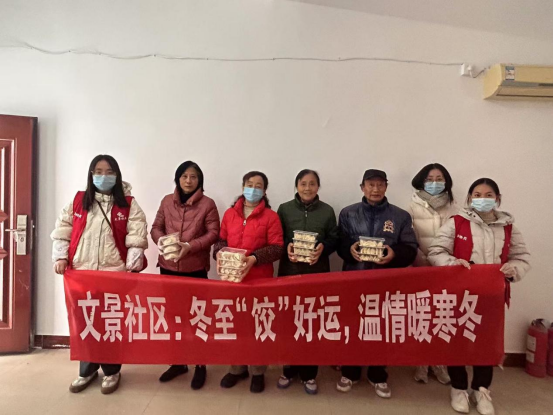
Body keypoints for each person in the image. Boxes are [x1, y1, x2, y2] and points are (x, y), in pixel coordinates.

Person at [428, 178, 531, 415]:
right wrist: (453, 263)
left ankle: (481, 389)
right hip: (460, 295)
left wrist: (513, 269)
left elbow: (522, 257)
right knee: (457, 341)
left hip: (492, 296)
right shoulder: (457, 222)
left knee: (486, 343)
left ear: (497, 199)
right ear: (469, 198)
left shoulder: (508, 227)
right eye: (477, 195)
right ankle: (458, 387)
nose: (482, 199)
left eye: (488, 195)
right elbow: (436, 251)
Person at [51, 155, 148, 395]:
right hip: (82, 274)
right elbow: (63, 230)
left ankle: (112, 371)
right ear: (91, 174)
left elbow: (136, 237)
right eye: (98, 171)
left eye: (109, 171)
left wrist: (132, 267)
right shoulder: (78, 201)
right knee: (85, 323)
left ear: (117, 175)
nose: (104, 176)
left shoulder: (128, 204)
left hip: (113, 275)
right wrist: (60, 257)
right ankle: (87, 370)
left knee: (110, 323)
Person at [337, 169, 418, 399]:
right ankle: (350, 372)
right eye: (370, 185)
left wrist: (394, 255)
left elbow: (411, 248)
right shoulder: (348, 213)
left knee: (382, 328)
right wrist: (349, 250)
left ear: (386, 187)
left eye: (380, 185)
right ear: (362, 187)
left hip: (386, 283)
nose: (375, 189)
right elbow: (339, 242)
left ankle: (378, 374)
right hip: (354, 279)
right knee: (352, 326)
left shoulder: (400, 216)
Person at [151, 161, 220, 390]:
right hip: (168, 267)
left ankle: (200, 364)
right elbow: (156, 227)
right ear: (177, 179)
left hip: (195, 268)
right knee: (174, 317)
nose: (188, 181)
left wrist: (190, 246)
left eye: (193, 177)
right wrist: (162, 241)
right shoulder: (166, 201)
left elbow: (213, 233)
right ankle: (178, 362)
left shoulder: (208, 204)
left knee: (198, 318)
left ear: (200, 180)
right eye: (184, 176)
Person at [214, 171, 284, 394]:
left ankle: (258, 371)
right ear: (242, 187)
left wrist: (254, 258)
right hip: (232, 280)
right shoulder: (229, 214)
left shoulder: (271, 217)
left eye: (258, 185)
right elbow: (220, 240)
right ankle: (237, 369)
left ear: (264, 191)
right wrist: (219, 254)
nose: (253, 189)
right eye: (249, 184)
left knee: (258, 326)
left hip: (259, 280)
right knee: (235, 325)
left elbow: (277, 248)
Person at [276, 169, 339, 395]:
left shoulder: (327, 211)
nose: (307, 188)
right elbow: (277, 237)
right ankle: (288, 369)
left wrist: (323, 248)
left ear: (318, 187)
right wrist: (287, 247)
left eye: (312, 184)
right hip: (289, 273)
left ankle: (309, 373)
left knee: (312, 323)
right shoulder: (284, 209)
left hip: (317, 274)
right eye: (303, 183)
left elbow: (334, 238)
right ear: (296, 186)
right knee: (289, 323)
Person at [409, 163, 459, 386]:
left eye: (439, 179)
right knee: (422, 315)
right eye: (430, 179)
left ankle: (439, 363)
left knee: (443, 316)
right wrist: (423, 261)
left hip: (448, 270)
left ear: (446, 182)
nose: (434, 183)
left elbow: (461, 240)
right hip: (421, 268)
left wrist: (446, 262)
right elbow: (410, 239)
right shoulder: (412, 207)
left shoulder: (456, 208)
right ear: (421, 182)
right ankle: (421, 362)